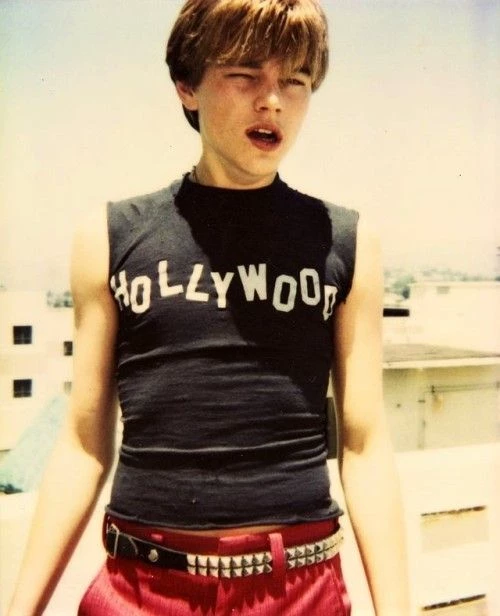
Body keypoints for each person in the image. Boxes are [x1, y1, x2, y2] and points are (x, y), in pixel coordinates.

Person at [8, 1, 410, 614]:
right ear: (187, 87)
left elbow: (365, 445)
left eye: (295, 81)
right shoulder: (110, 237)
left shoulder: (347, 241)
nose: (272, 100)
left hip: (299, 591)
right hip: (140, 588)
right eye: (245, 75)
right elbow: (83, 446)